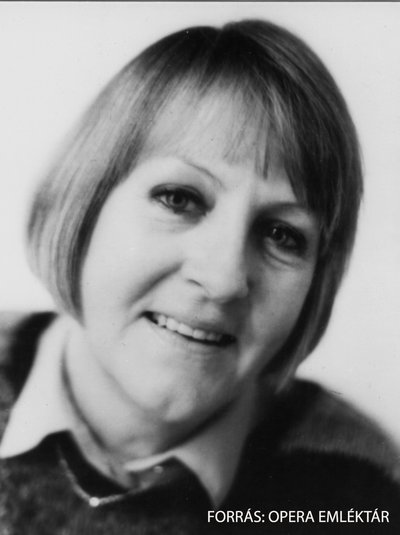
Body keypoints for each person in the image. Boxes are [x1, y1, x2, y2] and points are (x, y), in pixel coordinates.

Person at [0, 18, 399, 534]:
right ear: (85, 204)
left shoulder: (359, 492)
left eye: (282, 234)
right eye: (179, 199)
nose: (224, 278)